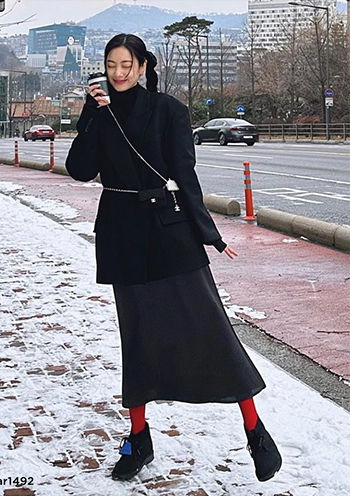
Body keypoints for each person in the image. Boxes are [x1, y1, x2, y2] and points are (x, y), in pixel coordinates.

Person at [66, 33, 282, 483]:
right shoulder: (100, 113)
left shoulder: (170, 112)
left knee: (211, 330)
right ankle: (138, 439)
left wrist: (210, 234)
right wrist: (89, 112)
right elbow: (80, 170)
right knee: (138, 339)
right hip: (122, 237)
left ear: (144, 66)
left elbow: (185, 175)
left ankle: (255, 429)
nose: (118, 73)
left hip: (169, 233)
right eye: (111, 65)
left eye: (127, 64)